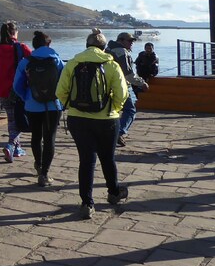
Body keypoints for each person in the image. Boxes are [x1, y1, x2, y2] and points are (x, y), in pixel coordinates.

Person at [55, 28, 129, 219]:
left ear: (86, 45)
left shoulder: (73, 63)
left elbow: (60, 91)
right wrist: (114, 109)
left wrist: (73, 106)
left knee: (86, 160)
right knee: (107, 158)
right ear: (104, 47)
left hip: (78, 119)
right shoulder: (111, 65)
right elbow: (122, 94)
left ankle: (87, 203)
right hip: (107, 119)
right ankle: (113, 192)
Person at [12, 31, 64, 187]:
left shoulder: (26, 62)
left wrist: (26, 97)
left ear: (34, 45)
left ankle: (38, 164)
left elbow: (17, 86)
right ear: (49, 44)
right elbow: (64, 83)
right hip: (53, 105)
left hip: (32, 105)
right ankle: (45, 174)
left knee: (36, 136)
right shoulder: (57, 60)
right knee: (50, 139)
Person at [0, 21, 32, 163]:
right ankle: (11, 145)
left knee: (12, 118)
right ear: (14, 33)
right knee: (16, 118)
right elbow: (35, 61)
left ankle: (17, 147)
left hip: (1, 89)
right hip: (18, 89)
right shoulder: (21, 47)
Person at [105, 32, 148, 147]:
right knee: (130, 110)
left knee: (112, 111)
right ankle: (118, 133)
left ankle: (109, 134)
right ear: (121, 40)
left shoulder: (108, 49)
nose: (132, 43)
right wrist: (142, 83)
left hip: (106, 85)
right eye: (129, 41)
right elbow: (128, 74)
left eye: (132, 41)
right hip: (119, 85)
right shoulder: (122, 52)